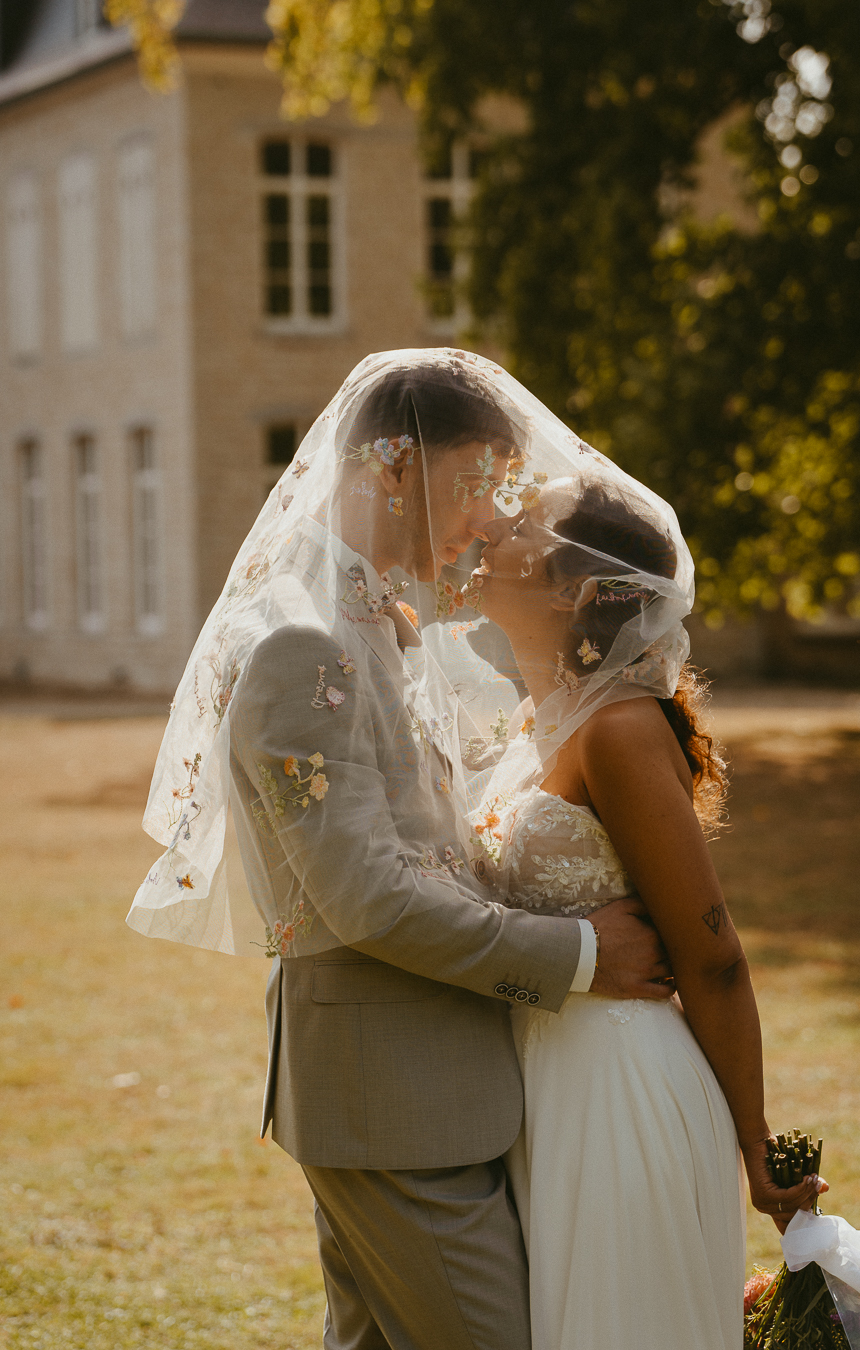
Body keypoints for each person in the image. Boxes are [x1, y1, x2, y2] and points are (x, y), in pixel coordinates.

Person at [127, 350, 678, 1350]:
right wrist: (585, 955)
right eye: (473, 482)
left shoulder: (377, 627)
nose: (483, 518)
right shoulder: (308, 646)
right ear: (392, 467)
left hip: (412, 1091)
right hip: (393, 1102)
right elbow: (367, 897)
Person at [463, 472, 825, 1349]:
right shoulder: (534, 723)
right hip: (540, 1087)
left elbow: (715, 955)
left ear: (573, 588)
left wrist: (755, 1148)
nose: (490, 530)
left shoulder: (620, 728)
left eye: (519, 528)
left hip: (620, 1089)